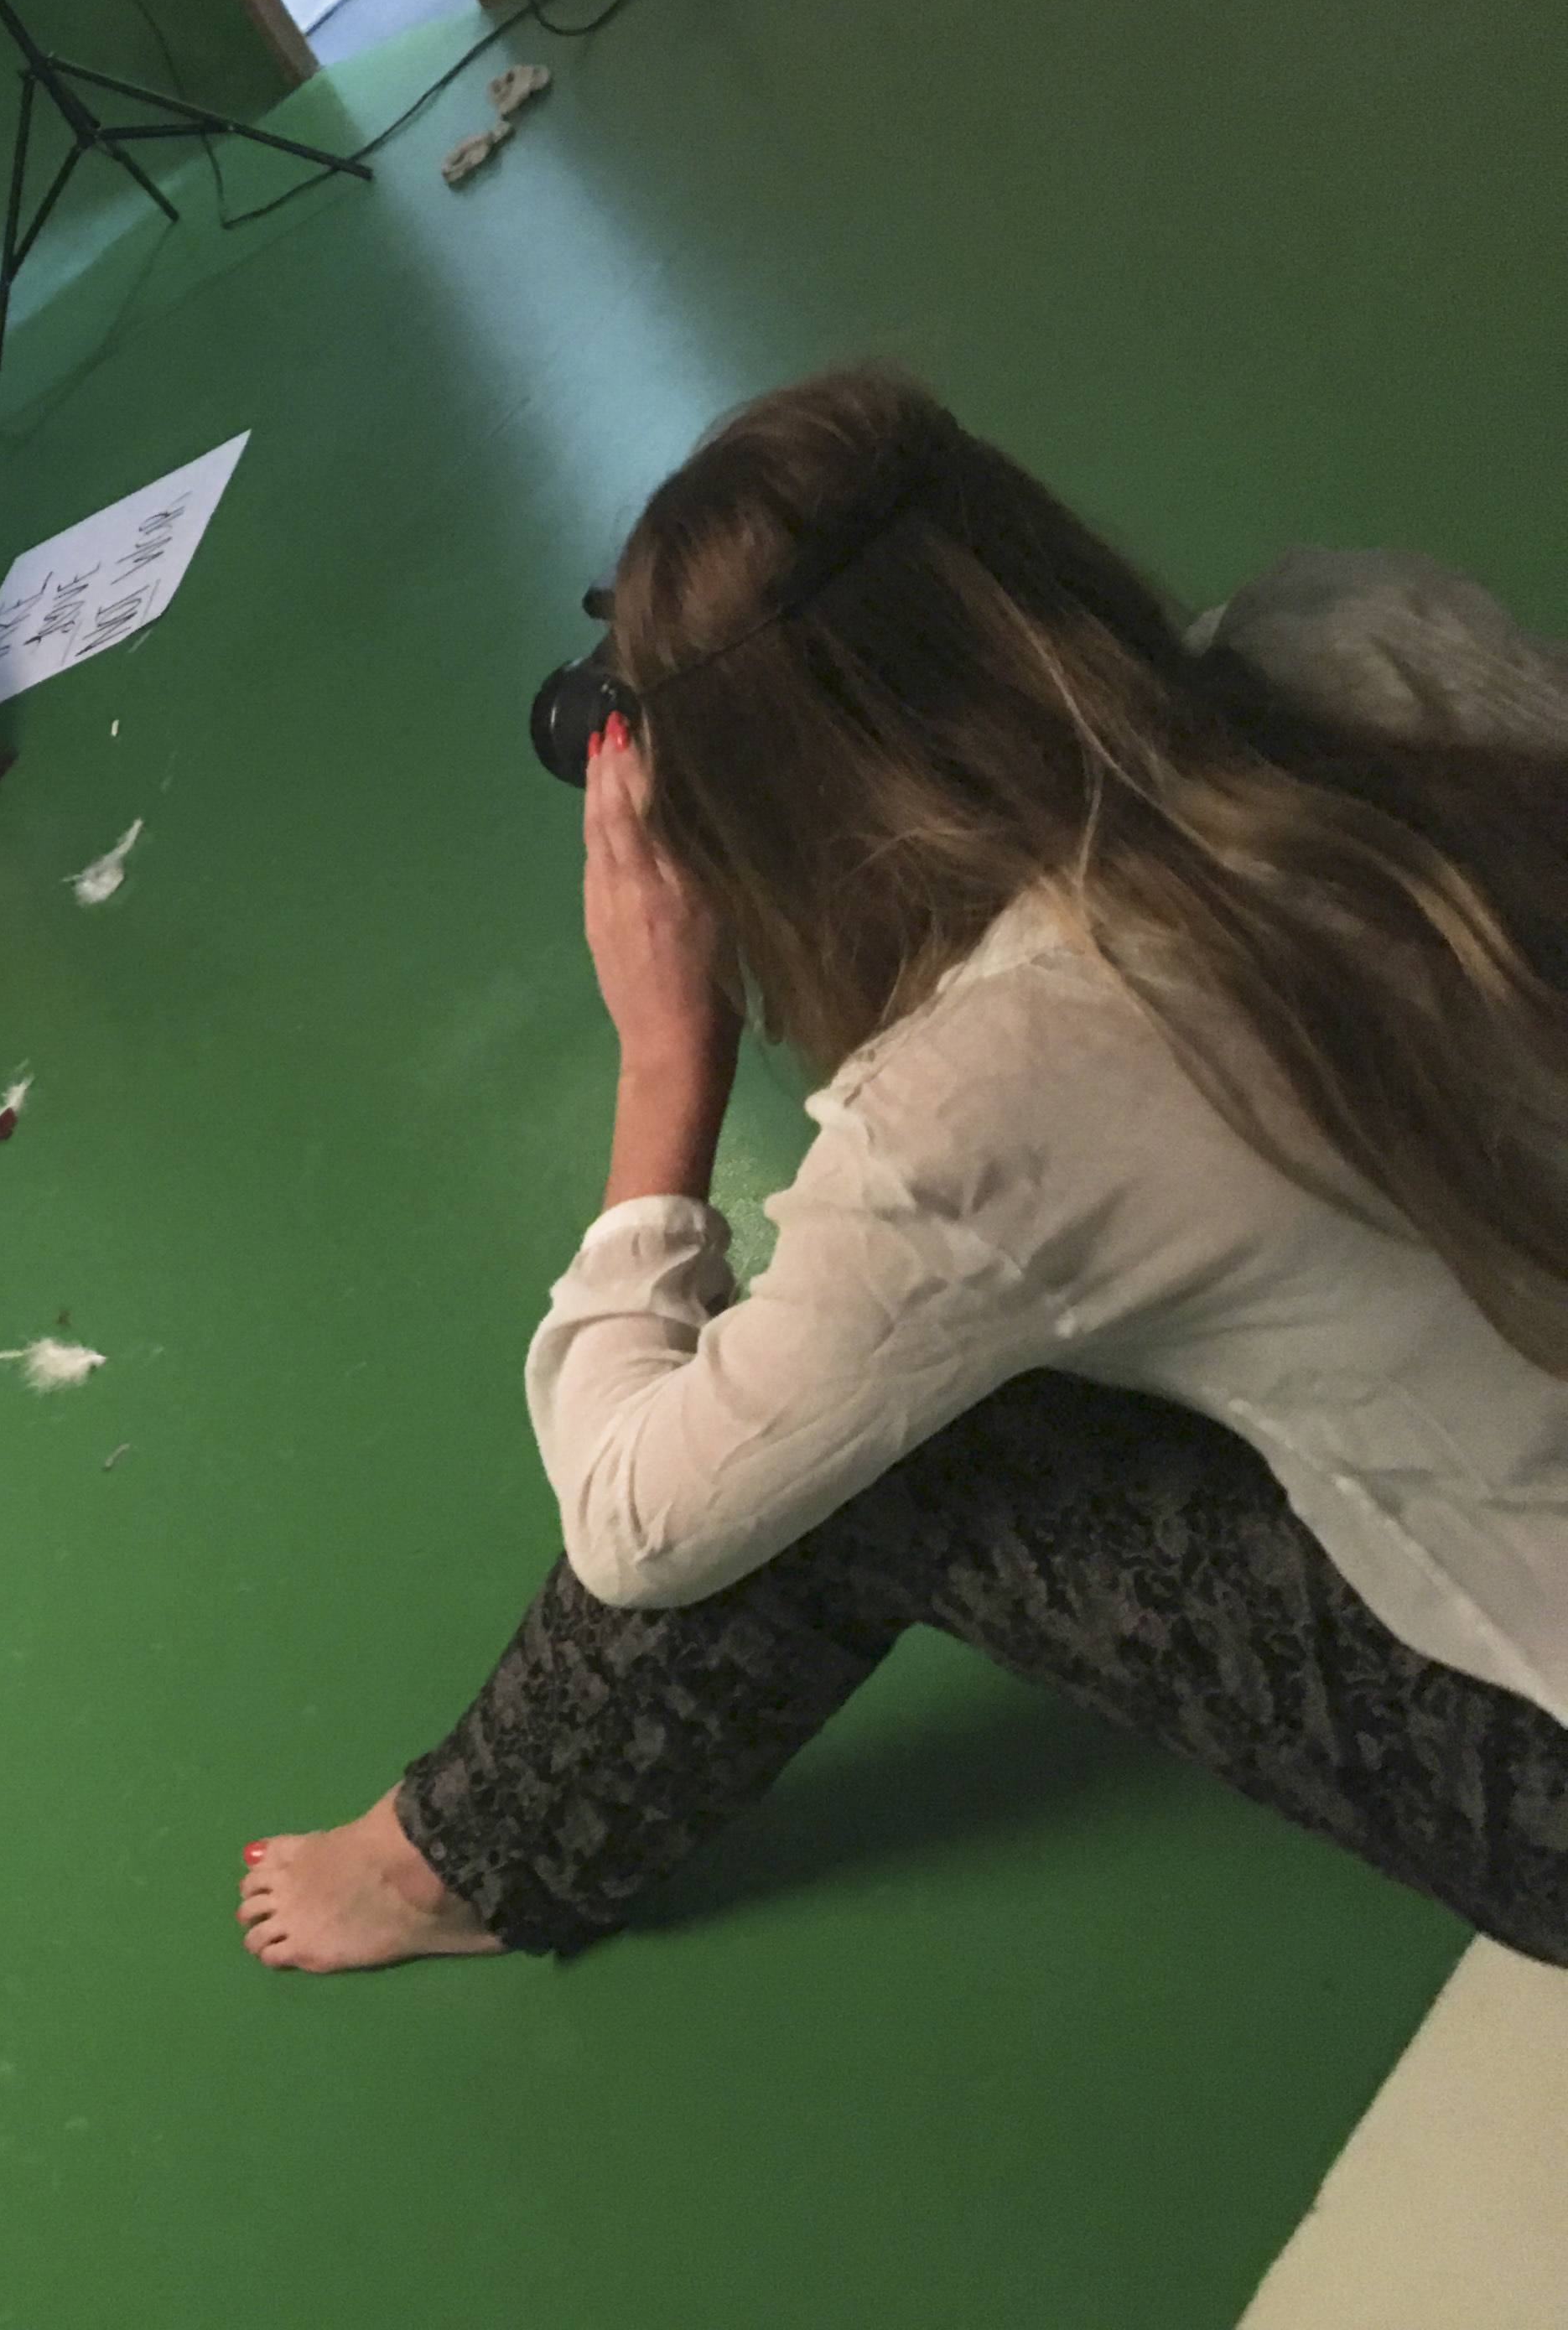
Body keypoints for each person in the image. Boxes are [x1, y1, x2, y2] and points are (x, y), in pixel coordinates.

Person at [238, 370, 1568, 1973]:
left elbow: (635, 1514)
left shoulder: (987, 1100)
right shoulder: (1381, 629)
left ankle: (457, 1853)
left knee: (886, 1441)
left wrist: (666, 1055)